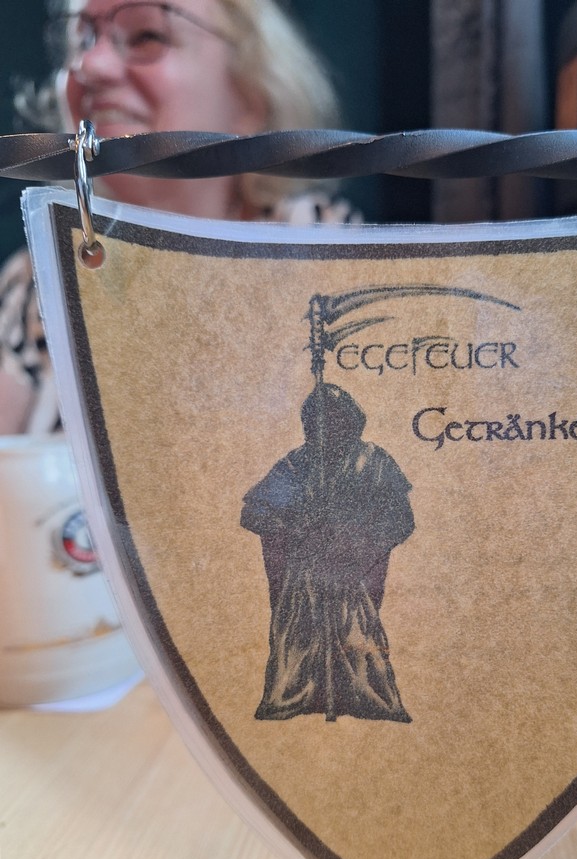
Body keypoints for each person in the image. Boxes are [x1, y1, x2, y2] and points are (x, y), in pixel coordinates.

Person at [0, 0, 357, 434]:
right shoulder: (35, 281)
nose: (89, 65)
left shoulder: (331, 260)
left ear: (250, 95)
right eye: (82, 39)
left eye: (147, 36)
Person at [240, 383, 415, 723]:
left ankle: (365, 698)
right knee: (299, 636)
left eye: (335, 420)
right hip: (305, 573)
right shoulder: (297, 464)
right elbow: (255, 512)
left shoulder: (374, 462)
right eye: (317, 422)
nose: (326, 429)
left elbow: (400, 518)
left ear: (351, 420)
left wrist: (360, 541)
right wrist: (297, 526)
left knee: (358, 637)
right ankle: (296, 696)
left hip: (354, 569)